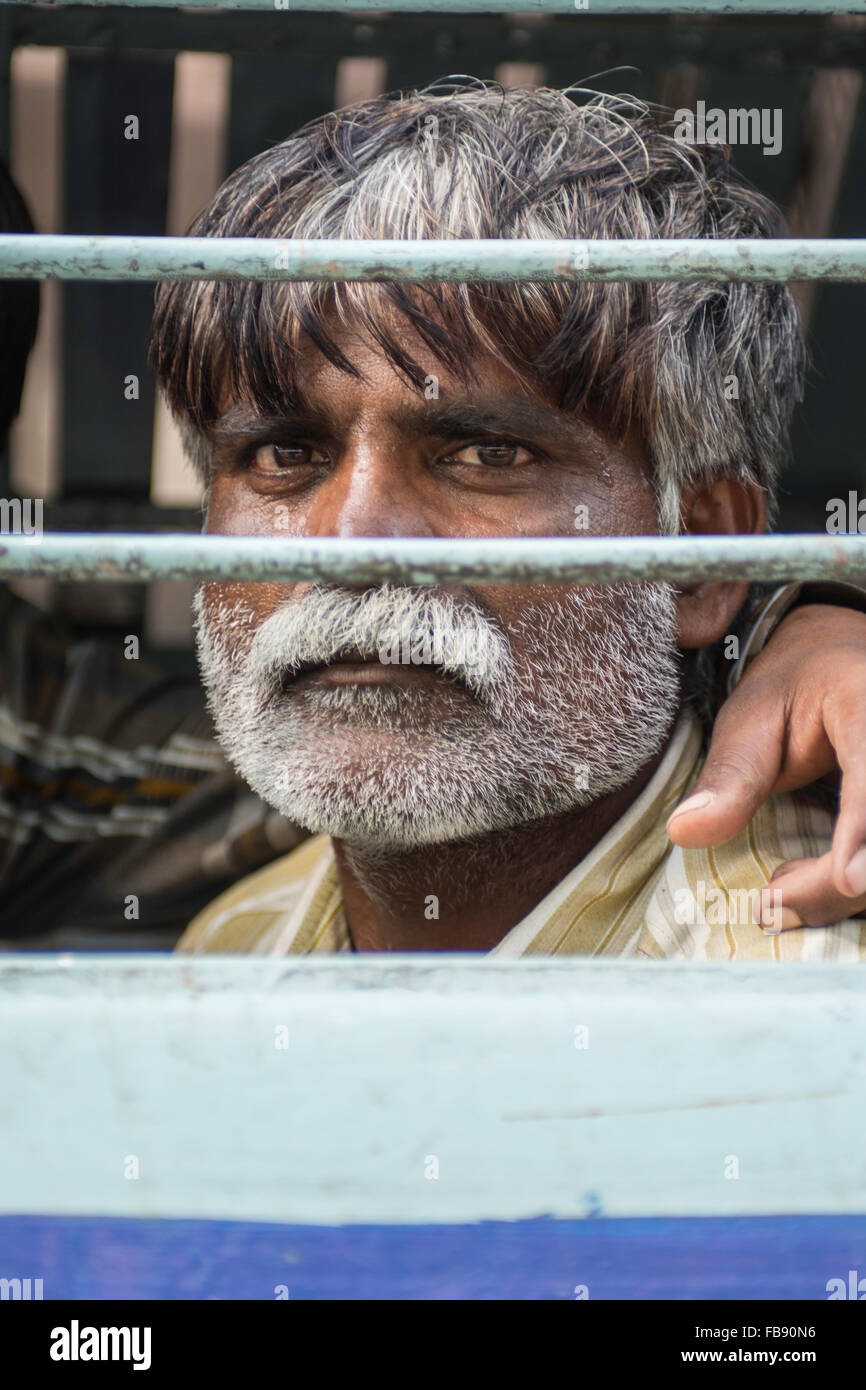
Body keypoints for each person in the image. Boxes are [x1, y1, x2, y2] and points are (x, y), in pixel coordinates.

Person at [140, 82, 866, 960]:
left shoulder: (792, 1017)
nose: (352, 542)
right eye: (284, 455)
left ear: (699, 559)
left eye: (487, 456)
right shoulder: (232, 946)